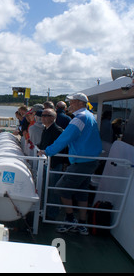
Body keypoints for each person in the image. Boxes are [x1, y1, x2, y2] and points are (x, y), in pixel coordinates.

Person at [38, 93, 102, 235]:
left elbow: (65, 138)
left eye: (72, 102)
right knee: (82, 194)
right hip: (90, 161)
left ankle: (70, 219)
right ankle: (82, 224)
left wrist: (47, 151)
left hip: (81, 162)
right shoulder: (90, 116)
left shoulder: (80, 118)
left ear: (79, 103)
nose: (70, 105)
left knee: (61, 188)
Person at [39, 108, 67, 220]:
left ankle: (52, 213)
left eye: (45, 115)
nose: (43, 117)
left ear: (52, 117)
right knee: (46, 188)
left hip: (53, 164)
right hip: (47, 163)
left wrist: (52, 163)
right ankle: (46, 210)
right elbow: (43, 144)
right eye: (42, 115)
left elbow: (61, 149)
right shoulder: (46, 129)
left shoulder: (58, 131)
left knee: (52, 189)